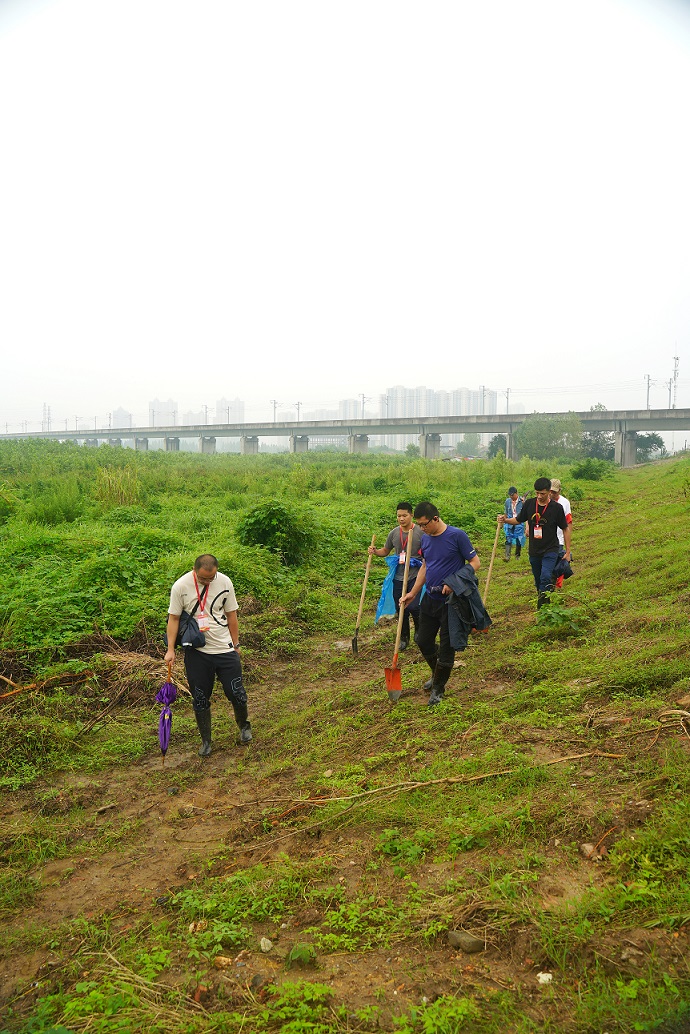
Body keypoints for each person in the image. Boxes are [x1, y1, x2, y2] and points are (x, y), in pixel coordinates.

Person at [164, 553, 252, 756]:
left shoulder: (225, 582)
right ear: (194, 570)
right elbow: (174, 618)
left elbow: (231, 614)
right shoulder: (181, 586)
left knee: (236, 692)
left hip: (225, 648)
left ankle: (244, 727)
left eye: (210, 578)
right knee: (201, 698)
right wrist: (170, 650)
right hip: (197, 653)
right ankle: (206, 741)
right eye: (203, 579)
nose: (207, 582)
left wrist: (236, 643)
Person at [400, 502, 481, 707]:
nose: (421, 529)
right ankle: (438, 674)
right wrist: (413, 593)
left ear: (435, 518)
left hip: (450, 603)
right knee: (422, 640)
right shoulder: (426, 539)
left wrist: (454, 582)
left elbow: (475, 563)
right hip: (430, 599)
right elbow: (426, 566)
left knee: (446, 646)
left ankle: (438, 689)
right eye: (419, 525)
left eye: (424, 524)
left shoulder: (457, 536)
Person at [498, 477, 571, 608]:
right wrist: (505, 520)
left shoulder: (556, 508)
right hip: (534, 550)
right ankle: (545, 602)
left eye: (542, 493)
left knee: (545, 577)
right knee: (539, 581)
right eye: (537, 493)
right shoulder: (530, 504)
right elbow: (518, 519)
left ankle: (542, 610)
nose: (539, 496)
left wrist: (568, 551)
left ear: (549, 492)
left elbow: (565, 528)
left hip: (551, 549)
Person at [369, 501, 423, 649]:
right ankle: (404, 637)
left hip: (415, 575)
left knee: (414, 606)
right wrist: (375, 551)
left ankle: (419, 631)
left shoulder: (420, 532)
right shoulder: (393, 533)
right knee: (401, 607)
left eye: (404, 515)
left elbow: (428, 553)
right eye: (399, 516)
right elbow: (385, 551)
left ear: (411, 515)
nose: (401, 519)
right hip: (398, 576)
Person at [550, 478, 572, 589]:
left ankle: (550, 590)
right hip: (543, 541)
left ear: (559, 490)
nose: (552, 494)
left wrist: (568, 547)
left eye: (554, 491)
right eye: (550, 491)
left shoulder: (564, 503)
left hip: (558, 540)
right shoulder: (543, 501)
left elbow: (568, 523)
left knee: (554, 568)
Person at [503, 487, 526, 561]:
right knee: (508, 538)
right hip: (510, 522)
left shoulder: (522, 502)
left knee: (518, 540)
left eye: (512, 495)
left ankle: (517, 556)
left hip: (519, 523)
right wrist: (504, 520)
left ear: (516, 493)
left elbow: (526, 514)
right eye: (510, 495)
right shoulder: (507, 501)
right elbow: (506, 512)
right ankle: (507, 556)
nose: (511, 497)